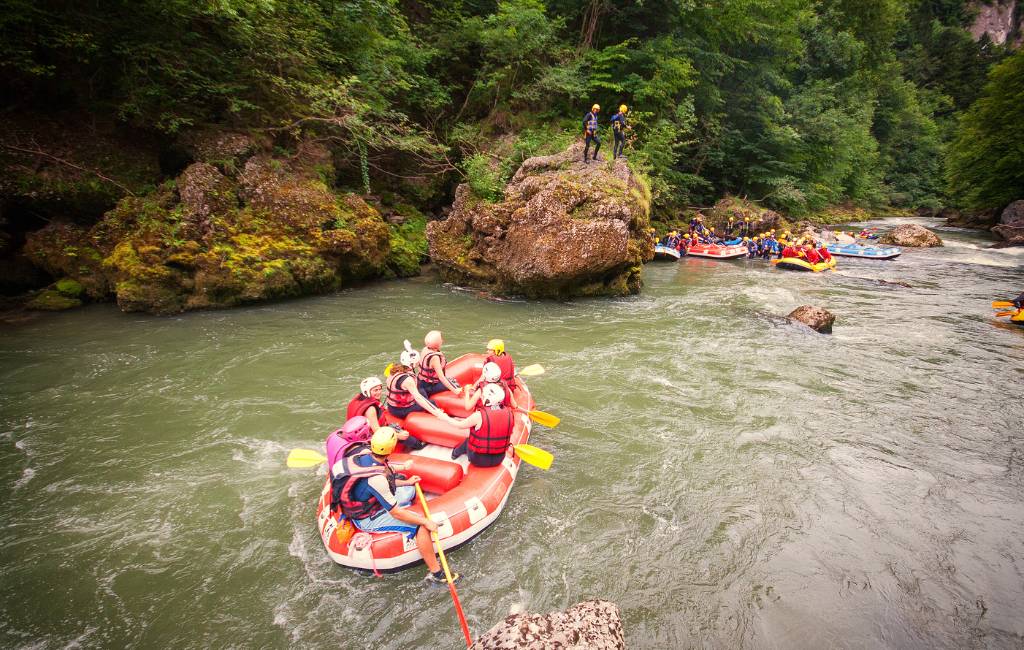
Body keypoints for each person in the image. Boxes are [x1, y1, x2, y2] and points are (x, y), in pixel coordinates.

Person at [334, 428, 456, 584]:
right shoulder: (376, 479)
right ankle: (437, 574)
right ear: (391, 448)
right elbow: (396, 512)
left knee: (409, 489)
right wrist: (425, 521)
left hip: (370, 499)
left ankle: (407, 489)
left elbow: (385, 477)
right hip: (366, 518)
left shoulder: (363, 455)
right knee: (420, 527)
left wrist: (406, 482)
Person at [449, 384, 515, 468]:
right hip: (499, 458)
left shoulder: (478, 415)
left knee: (468, 441)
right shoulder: (510, 413)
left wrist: (443, 417)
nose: (481, 397)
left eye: (483, 396)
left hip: (478, 460)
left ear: (487, 399)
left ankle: (454, 454)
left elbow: (459, 425)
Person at [418, 331, 462, 397]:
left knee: (451, 381)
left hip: (421, 382)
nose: (442, 340)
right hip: (429, 386)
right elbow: (441, 377)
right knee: (455, 385)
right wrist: (455, 391)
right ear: (437, 343)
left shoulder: (425, 349)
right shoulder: (434, 357)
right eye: (441, 339)